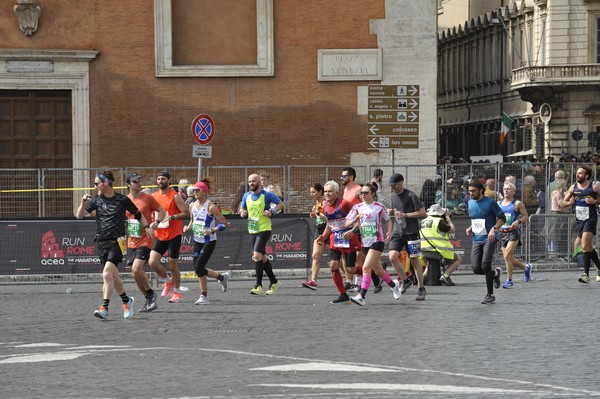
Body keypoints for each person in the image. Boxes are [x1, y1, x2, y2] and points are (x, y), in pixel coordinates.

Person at [76, 170, 150, 320]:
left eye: (97, 183)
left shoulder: (122, 200)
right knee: (113, 277)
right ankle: (126, 301)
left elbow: (138, 214)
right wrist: (83, 203)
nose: (95, 186)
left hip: (117, 242)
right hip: (102, 242)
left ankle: (104, 308)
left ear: (106, 183)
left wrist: (147, 227)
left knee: (107, 274)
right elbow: (79, 215)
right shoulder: (96, 200)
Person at [345, 183, 401, 306]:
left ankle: (362, 296)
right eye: (362, 193)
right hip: (365, 242)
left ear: (373, 194)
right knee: (379, 270)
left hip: (378, 240)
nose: (363, 195)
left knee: (366, 268)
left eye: (366, 193)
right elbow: (347, 222)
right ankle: (394, 285)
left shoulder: (379, 207)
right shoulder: (357, 207)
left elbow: (388, 219)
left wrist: (389, 232)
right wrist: (355, 220)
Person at [182, 178, 230, 305]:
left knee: (198, 268)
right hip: (197, 240)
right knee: (198, 269)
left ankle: (204, 296)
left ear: (204, 192)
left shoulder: (211, 207)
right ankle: (221, 277)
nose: (195, 192)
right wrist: (188, 227)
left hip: (209, 240)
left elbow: (224, 224)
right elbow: (193, 221)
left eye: (197, 190)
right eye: (194, 190)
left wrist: (211, 230)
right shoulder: (192, 205)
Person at [316, 180, 363, 304]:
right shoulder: (325, 207)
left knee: (351, 269)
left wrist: (353, 231)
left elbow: (358, 218)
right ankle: (343, 294)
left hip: (348, 239)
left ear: (337, 192)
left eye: (330, 191)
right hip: (335, 239)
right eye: (325, 191)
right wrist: (323, 236)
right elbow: (330, 224)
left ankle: (372, 272)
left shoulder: (345, 204)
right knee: (333, 265)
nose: (327, 194)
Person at [125, 173, 166, 312]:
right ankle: (148, 298)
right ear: (129, 184)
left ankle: (151, 294)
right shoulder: (126, 200)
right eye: (135, 181)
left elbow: (162, 211)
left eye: (139, 180)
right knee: (134, 273)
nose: (138, 183)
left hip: (145, 238)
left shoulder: (148, 198)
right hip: (131, 240)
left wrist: (157, 222)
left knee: (137, 268)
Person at [148, 171, 190, 303]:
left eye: (163, 179)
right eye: (158, 179)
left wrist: (172, 217)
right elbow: (152, 213)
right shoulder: (153, 196)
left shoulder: (175, 196)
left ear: (169, 180)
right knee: (152, 262)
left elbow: (186, 213)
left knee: (173, 265)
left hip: (174, 235)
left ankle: (177, 292)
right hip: (160, 234)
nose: (160, 181)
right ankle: (168, 281)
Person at [239, 173, 284, 295]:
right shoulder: (246, 196)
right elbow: (242, 209)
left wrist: (272, 211)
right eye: (249, 181)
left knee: (257, 255)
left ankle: (258, 285)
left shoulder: (266, 195)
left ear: (259, 182)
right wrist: (243, 212)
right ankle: (274, 282)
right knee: (262, 258)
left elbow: (281, 204)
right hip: (252, 229)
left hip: (264, 228)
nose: (251, 183)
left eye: (254, 181)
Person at [387, 173, 427, 301]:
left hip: (412, 232)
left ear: (401, 182)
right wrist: (391, 211)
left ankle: (421, 288)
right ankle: (406, 280)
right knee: (392, 256)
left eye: (395, 185)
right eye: (391, 186)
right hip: (397, 231)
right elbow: (396, 209)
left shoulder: (411, 195)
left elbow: (423, 212)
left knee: (415, 260)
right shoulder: (393, 195)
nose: (393, 188)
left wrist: (405, 215)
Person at [466, 180, 506, 304]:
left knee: (485, 264)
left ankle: (490, 295)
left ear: (481, 190)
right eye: (469, 191)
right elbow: (475, 219)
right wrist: (471, 227)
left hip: (490, 237)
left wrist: (494, 229)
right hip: (477, 238)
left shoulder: (490, 202)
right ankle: (494, 274)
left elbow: (502, 218)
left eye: (473, 191)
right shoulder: (470, 203)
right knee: (476, 268)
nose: (471, 193)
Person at [561, 165, 600, 283]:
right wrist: (569, 202)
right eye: (577, 173)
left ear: (587, 175)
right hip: (579, 220)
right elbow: (562, 203)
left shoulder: (594, 187)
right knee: (588, 247)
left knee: (584, 246)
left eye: (580, 173)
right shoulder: (573, 188)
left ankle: (585, 274)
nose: (577, 175)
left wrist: (595, 201)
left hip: (591, 219)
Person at [497, 182, 532, 289]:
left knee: (507, 256)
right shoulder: (498, 203)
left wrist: (518, 221)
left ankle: (509, 280)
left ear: (513, 191)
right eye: (504, 189)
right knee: (509, 258)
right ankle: (526, 268)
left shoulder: (517, 203)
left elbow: (526, 216)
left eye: (508, 189)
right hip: (502, 233)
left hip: (513, 233)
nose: (506, 191)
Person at [419, 203, 462, 286]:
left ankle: (424, 276)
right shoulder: (439, 222)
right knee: (458, 259)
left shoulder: (423, 221)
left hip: (424, 251)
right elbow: (452, 229)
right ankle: (445, 276)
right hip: (438, 251)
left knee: (428, 262)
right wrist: (448, 218)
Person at [302, 183, 327, 290]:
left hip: (328, 229)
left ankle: (349, 278)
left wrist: (318, 214)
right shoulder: (316, 203)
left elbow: (329, 218)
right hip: (319, 229)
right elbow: (318, 216)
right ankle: (313, 281)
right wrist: (314, 214)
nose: (312, 194)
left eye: (314, 192)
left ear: (320, 192)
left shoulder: (326, 202)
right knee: (315, 255)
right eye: (311, 192)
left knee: (337, 260)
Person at [547, 178, 570, 260]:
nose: (567, 186)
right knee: (554, 234)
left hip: (556, 214)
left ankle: (552, 251)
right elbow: (561, 204)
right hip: (556, 214)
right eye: (565, 185)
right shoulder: (557, 194)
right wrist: (570, 201)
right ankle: (552, 252)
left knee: (554, 233)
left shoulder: (556, 193)